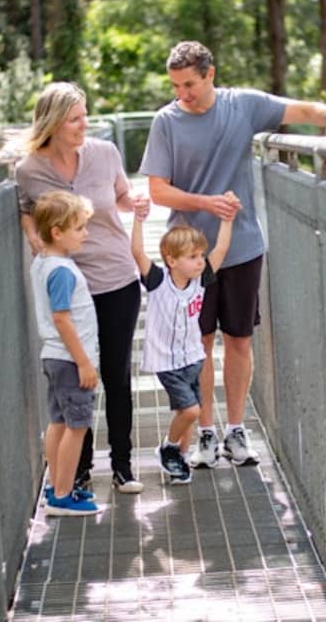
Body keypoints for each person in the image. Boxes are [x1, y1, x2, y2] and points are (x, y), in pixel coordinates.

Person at [139, 40, 326, 468]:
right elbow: (157, 189)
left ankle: (236, 432)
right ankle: (205, 432)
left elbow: (304, 110)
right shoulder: (165, 121)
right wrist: (206, 203)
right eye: (176, 86)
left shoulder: (244, 106)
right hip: (187, 256)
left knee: (239, 340)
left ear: (210, 75)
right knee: (196, 345)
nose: (182, 94)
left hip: (240, 247)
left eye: (190, 85)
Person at [16, 81, 144, 494]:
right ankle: (80, 469)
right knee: (76, 376)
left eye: (85, 115)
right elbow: (25, 210)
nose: (83, 124)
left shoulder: (105, 154)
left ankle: (123, 464)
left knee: (115, 373)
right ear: (52, 124)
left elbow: (122, 198)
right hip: (70, 286)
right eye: (75, 118)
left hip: (115, 276)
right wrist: (35, 239)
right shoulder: (29, 169)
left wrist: (136, 205)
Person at [130, 193, 239, 484]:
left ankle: (180, 456)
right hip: (167, 360)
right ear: (171, 260)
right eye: (193, 257)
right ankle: (167, 447)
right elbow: (137, 252)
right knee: (192, 410)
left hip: (193, 356)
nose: (201, 262)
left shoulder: (200, 281)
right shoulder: (157, 281)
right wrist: (138, 220)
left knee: (186, 410)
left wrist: (227, 220)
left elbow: (222, 249)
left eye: (201, 256)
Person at [29, 191, 101, 516]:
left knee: (59, 422)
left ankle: (55, 485)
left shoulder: (43, 262)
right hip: (70, 360)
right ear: (57, 232)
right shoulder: (61, 271)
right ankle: (62, 493)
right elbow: (61, 318)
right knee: (77, 425)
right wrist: (84, 361)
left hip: (55, 357)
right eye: (79, 228)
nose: (85, 233)